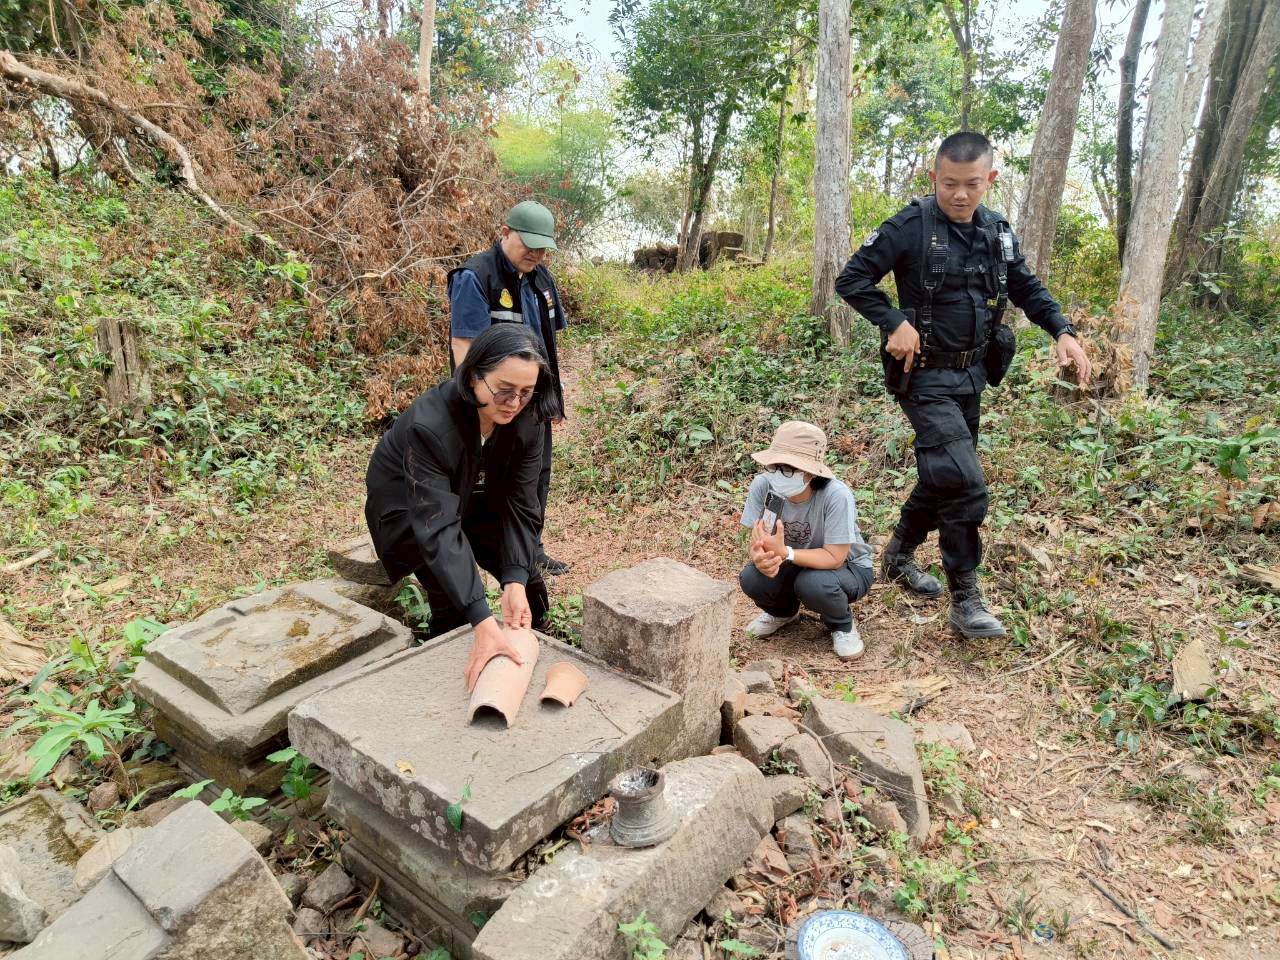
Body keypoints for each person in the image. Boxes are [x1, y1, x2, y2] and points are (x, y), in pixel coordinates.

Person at [835, 131, 1091, 639]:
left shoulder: (997, 231)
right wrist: (892, 321)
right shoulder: (909, 225)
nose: (959, 194)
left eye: (971, 184)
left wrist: (1062, 330)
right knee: (964, 480)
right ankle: (965, 596)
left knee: (941, 475)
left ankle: (898, 554)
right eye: (949, 183)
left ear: (989, 180)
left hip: (972, 375)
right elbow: (852, 279)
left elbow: (1025, 286)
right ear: (934, 178)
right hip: (923, 376)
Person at [364, 324, 563, 691]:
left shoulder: (529, 417)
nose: (514, 403)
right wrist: (482, 619)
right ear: (473, 376)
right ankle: (448, 678)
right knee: (452, 601)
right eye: (503, 390)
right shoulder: (430, 425)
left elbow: (522, 502)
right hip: (409, 503)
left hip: (476, 492)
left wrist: (514, 578)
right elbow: (438, 524)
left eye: (525, 392)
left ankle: (532, 652)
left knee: (528, 581)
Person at [447, 200, 570, 576]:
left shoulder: (542, 280)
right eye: (528, 243)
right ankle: (488, 549)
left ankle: (531, 547)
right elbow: (464, 349)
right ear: (504, 233)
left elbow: (549, 345)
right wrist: (484, 405)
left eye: (542, 246)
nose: (536, 253)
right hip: (497, 402)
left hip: (536, 398)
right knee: (498, 479)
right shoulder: (476, 277)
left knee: (537, 475)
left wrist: (552, 398)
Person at [739, 421, 875, 660]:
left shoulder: (836, 496)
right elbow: (758, 540)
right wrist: (760, 558)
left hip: (846, 568)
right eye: (774, 465)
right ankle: (782, 613)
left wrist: (786, 553)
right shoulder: (763, 486)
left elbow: (835, 557)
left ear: (810, 472)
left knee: (813, 583)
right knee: (752, 578)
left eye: (788, 468)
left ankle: (842, 624)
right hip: (793, 562)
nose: (778, 473)